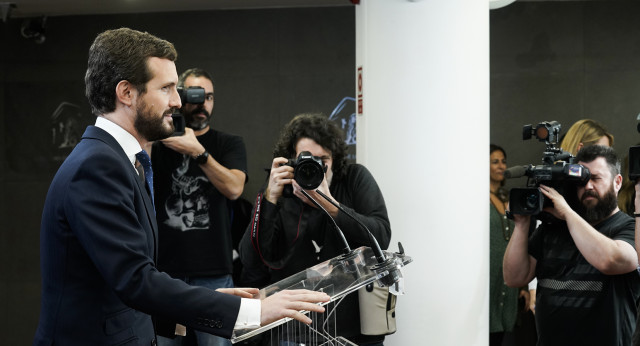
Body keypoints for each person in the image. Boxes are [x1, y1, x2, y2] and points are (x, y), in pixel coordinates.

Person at [33, 28, 329, 346]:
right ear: (126, 93)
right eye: (166, 88)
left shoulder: (118, 161)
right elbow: (135, 281)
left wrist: (205, 300)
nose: (178, 101)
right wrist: (250, 311)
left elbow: (122, 288)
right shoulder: (97, 167)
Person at [238, 113, 392, 346]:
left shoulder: (354, 178)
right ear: (291, 161)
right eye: (307, 159)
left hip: (352, 328)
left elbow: (381, 236)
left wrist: (332, 206)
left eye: (323, 160)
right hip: (293, 329)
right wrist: (269, 199)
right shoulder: (281, 192)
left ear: (335, 158)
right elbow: (251, 260)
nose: (315, 167)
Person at [503, 145, 640, 346]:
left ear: (617, 182)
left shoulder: (628, 228)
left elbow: (612, 260)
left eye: (596, 178)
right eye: (582, 181)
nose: (588, 186)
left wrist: (568, 213)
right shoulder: (553, 228)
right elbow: (514, 278)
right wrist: (522, 225)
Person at [151, 68, 247, 346]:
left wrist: (198, 152)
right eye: (194, 95)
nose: (203, 103)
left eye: (210, 97)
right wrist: (157, 131)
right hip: (164, 273)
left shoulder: (227, 143)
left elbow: (234, 188)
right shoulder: (157, 143)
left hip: (213, 272)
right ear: (178, 96)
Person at [489, 144, 530, 346]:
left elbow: (519, 239)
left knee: (502, 335)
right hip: (485, 278)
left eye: (503, 161)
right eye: (494, 161)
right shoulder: (473, 197)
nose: (501, 166)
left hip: (506, 278)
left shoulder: (509, 197)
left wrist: (523, 285)